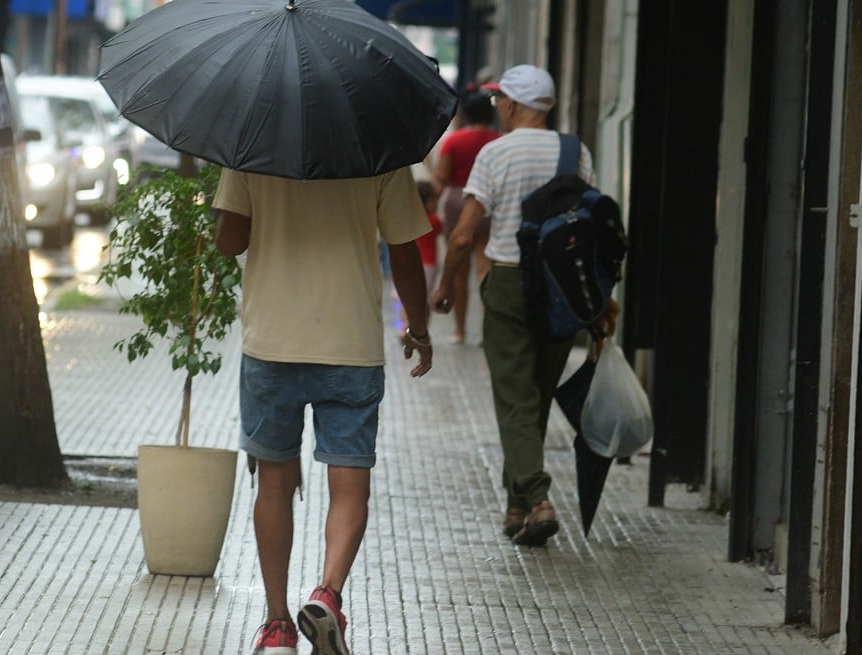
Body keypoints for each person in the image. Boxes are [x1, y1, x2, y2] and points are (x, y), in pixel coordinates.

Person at [215, 167, 435, 655]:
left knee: (273, 482)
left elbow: (229, 241)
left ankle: (277, 628)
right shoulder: (379, 151)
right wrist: (417, 327)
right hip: (350, 344)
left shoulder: (252, 145)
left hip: (272, 342)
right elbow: (404, 251)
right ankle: (328, 596)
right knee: (350, 482)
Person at [431, 64, 615, 547]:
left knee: (515, 397)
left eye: (499, 101)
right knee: (532, 395)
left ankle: (537, 498)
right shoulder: (576, 153)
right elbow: (591, 230)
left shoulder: (496, 153)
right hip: (563, 289)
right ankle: (516, 509)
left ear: (512, 104)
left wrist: (447, 285)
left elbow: (466, 233)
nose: (497, 108)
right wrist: (603, 299)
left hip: (511, 282)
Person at [431, 89, 500, 344]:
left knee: (459, 270)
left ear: (465, 114)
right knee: (486, 267)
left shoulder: (453, 141)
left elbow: (441, 177)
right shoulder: (499, 140)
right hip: (490, 204)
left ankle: (460, 330)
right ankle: (488, 329)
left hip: (458, 203)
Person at [394, 180, 443, 334]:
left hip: (411, 262)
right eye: (434, 200)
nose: (436, 203)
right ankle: (422, 330)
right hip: (428, 264)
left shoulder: (409, 219)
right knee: (423, 300)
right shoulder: (434, 221)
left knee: (406, 299)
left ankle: (405, 327)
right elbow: (440, 231)